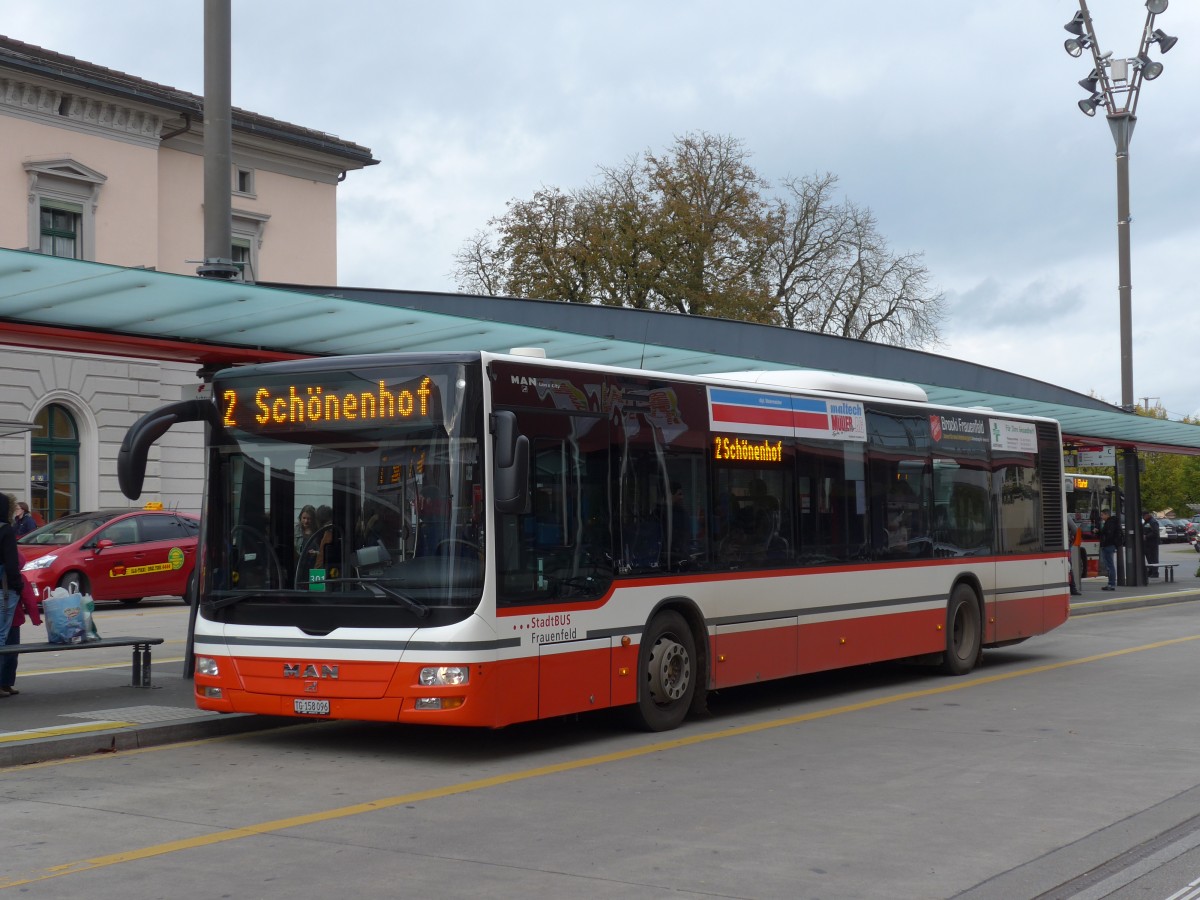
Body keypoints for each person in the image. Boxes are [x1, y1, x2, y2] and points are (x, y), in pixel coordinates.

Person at [1, 576, 41, 697]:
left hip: (13, 621)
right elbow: (28, 599)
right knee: (10, 655)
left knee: (9, 655)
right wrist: (35, 618)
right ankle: (5, 683)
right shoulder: (18, 578)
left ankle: (6, 683)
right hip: (12, 622)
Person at [0, 494, 26, 672]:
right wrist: (18, 584)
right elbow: (11, 562)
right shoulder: (6, 530)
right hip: (4, 588)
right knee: (2, 635)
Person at [1098, 508, 1122, 591]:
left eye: (1102, 515)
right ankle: (1111, 584)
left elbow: (1108, 534)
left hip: (1108, 546)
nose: (1101, 516)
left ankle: (1111, 584)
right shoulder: (1111, 522)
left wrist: (1105, 543)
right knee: (1110, 565)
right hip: (1110, 545)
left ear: (1107, 514)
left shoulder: (1109, 523)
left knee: (1109, 565)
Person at [1141, 511, 1160, 580]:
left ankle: (1155, 572)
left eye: (1144, 516)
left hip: (1152, 543)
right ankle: (1151, 571)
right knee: (1149, 558)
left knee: (1154, 558)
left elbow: (1155, 532)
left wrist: (1147, 536)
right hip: (1147, 544)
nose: (1143, 517)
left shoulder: (1153, 522)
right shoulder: (1146, 522)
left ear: (1148, 515)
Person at [1067, 516, 1082, 595]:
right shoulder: (1066, 517)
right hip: (1065, 546)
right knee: (1068, 567)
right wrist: (1071, 540)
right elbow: (1076, 530)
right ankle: (1073, 589)